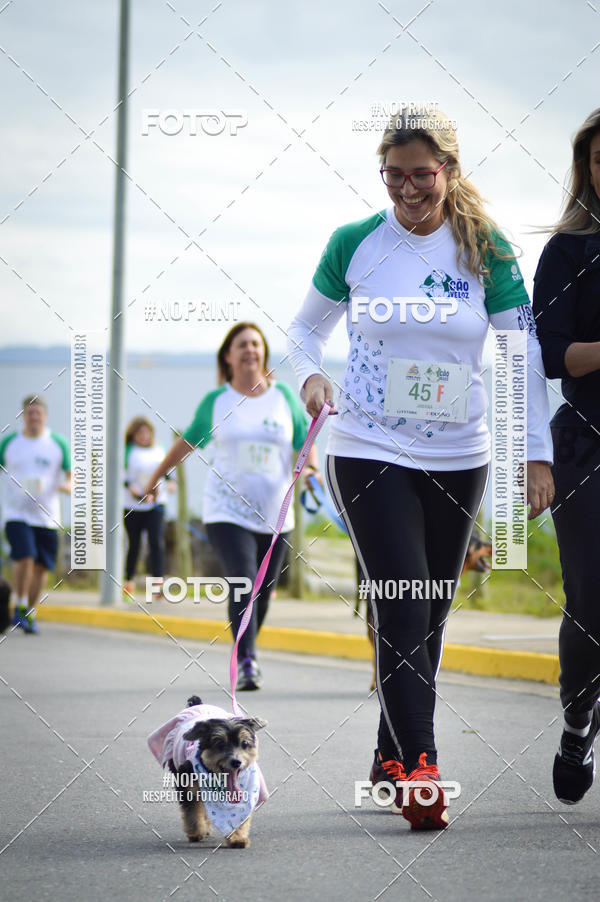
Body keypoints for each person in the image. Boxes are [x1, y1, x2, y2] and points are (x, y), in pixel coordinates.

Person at [287, 107, 554, 829]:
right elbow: (304, 331)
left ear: (449, 171)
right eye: (394, 175)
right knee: (403, 597)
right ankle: (422, 768)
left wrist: (535, 452)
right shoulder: (357, 244)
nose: (407, 189)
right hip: (368, 447)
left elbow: (518, 354)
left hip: (459, 453)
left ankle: (387, 752)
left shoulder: (485, 249)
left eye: (421, 175)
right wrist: (311, 378)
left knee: (429, 611)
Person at [145, 322, 319, 690]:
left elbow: (305, 440)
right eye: (242, 345)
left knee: (264, 592)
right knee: (243, 583)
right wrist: (157, 476)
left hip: (275, 516)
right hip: (226, 512)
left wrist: (313, 470)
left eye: (256, 344)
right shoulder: (218, 402)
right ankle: (247, 661)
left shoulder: (284, 397)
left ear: (264, 354)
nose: (250, 351)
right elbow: (187, 442)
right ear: (228, 355)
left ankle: (245, 647)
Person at [532, 108, 600, 806]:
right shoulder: (569, 252)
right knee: (592, 603)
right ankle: (579, 718)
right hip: (586, 444)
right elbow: (550, 355)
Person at [0, 395, 71, 633]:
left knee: (41, 566)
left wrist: (68, 487)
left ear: (45, 416)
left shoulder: (57, 443)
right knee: (25, 557)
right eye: (29, 413)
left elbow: (72, 476)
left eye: (38, 413)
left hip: (47, 516)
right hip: (16, 513)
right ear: (23, 416)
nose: (34, 417)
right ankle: (19, 604)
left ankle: (29, 612)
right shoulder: (10, 442)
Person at [123, 417, 175, 599]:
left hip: (157, 504)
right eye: (140, 433)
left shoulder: (159, 449)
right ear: (133, 435)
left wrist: (171, 483)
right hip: (133, 505)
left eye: (147, 433)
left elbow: (167, 471)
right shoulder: (128, 451)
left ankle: (158, 584)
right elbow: (125, 478)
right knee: (134, 544)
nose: (143, 436)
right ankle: (128, 581)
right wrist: (138, 494)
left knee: (156, 542)